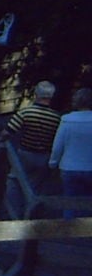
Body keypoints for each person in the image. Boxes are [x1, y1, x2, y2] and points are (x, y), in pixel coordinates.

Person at [0, 81, 61, 207]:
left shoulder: (25, 113)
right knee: (35, 186)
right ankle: (31, 213)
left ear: (36, 94)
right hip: (44, 156)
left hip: (25, 153)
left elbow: (8, 132)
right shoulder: (56, 117)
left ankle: (14, 212)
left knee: (14, 182)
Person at [49, 87, 92, 218]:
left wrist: (53, 162)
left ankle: (69, 231)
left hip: (69, 167)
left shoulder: (66, 119)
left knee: (69, 201)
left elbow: (58, 146)